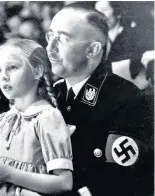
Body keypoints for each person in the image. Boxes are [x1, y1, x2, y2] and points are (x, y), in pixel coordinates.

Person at [46, 4, 153, 196]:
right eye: (50, 36)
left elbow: (119, 180)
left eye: (62, 38)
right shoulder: (54, 94)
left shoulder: (125, 99)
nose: (50, 48)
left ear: (92, 50)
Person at [0, 38, 73, 196]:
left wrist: (10, 174)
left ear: (37, 71)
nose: (4, 76)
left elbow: (64, 183)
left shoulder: (46, 117)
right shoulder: (1, 122)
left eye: (12, 67)